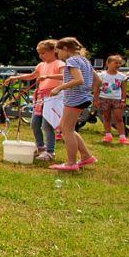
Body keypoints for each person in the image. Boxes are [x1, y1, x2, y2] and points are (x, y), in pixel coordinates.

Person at [6, 39, 63, 161]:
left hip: (52, 98)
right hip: (41, 97)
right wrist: (16, 77)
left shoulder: (59, 64)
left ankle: (50, 151)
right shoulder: (41, 65)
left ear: (53, 51)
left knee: (47, 126)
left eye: (43, 53)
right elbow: (32, 76)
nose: (41, 56)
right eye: (39, 53)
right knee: (35, 124)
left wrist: (48, 76)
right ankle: (40, 147)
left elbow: (66, 76)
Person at [48, 37, 98, 171]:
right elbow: (97, 80)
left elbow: (78, 80)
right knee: (67, 128)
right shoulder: (84, 60)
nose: (58, 56)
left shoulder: (72, 61)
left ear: (65, 49)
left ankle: (71, 163)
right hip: (83, 97)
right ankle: (86, 156)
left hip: (75, 98)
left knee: (67, 130)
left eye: (58, 52)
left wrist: (59, 88)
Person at [95, 54, 129, 145]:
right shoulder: (101, 75)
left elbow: (124, 89)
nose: (118, 65)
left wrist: (123, 100)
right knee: (106, 117)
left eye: (119, 63)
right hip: (104, 98)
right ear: (108, 63)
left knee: (119, 118)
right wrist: (96, 99)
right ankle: (108, 135)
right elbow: (97, 88)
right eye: (116, 63)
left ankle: (122, 136)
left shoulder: (121, 76)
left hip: (117, 99)